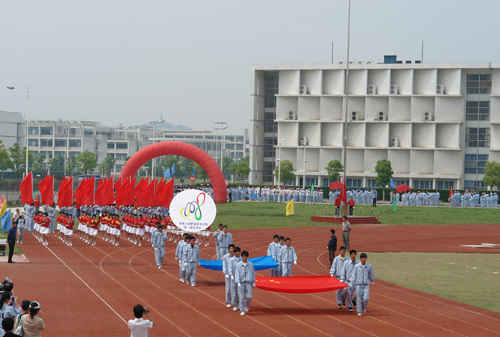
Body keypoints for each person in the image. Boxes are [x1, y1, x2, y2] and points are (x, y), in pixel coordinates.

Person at [234, 251, 256, 316]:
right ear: (242, 257)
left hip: (248, 282)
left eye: (246, 256)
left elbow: (253, 273)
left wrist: (253, 281)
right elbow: (237, 274)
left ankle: (246, 305)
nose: (244, 258)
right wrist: (238, 282)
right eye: (243, 256)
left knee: (249, 296)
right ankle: (242, 310)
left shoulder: (250, 264)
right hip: (241, 283)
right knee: (241, 297)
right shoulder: (238, 265)